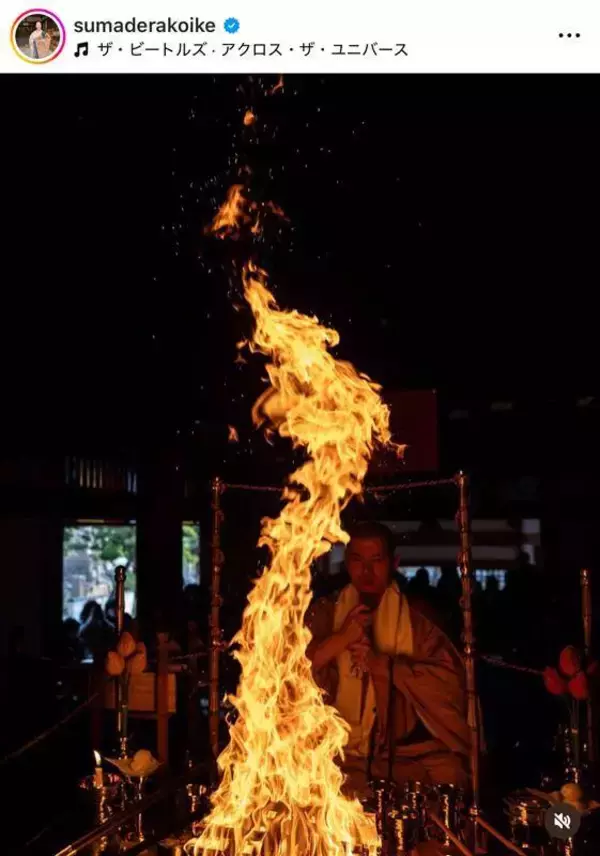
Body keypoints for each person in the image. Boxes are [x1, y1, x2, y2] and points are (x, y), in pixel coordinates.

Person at [306, 521, 470, 801]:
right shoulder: (326, 614)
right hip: (338, 749)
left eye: (376, 560)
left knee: (453, 776)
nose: (366, 571)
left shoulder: (417, 619)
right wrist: (341, 640)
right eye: (357, 560)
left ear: (394, 563)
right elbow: (287, 674)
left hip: (403, 751)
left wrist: (382, 665)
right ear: (347, 563)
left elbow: (449, 685)